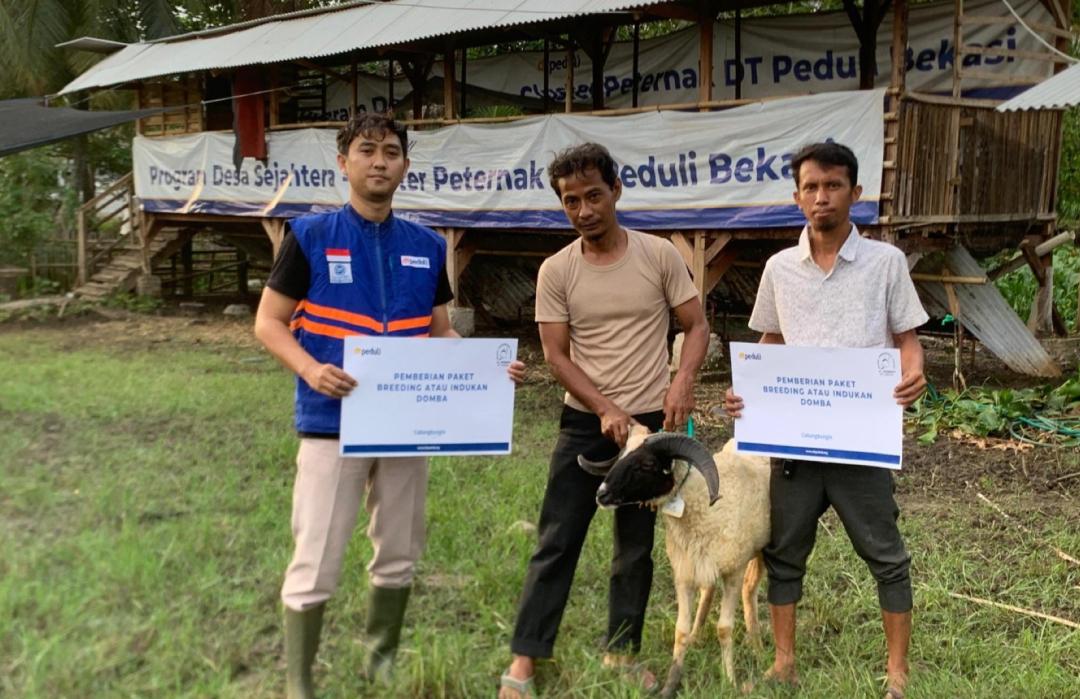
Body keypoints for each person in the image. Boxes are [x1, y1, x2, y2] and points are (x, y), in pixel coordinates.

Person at [254, 112, 524, 699]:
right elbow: (269, 322)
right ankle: (300, 683)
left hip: (405, 427)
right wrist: (310, 369)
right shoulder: (310, 236)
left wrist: (486, 369)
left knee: (399, 550)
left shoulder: (426, 246)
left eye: (392, 152)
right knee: (316, 556)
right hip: (331, 423)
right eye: (367, 149)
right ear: (343, 161)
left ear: (405, 165)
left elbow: (439, 332)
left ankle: (380, 663)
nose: (380, 161)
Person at [498, 143, 709, 698]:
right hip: (584, 424)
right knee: (558, 538)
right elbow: (556, 356)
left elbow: (696, 324)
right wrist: (604, 408)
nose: (584, 210)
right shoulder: (556, 270)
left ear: (616, 189)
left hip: (648, 429)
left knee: (635, 546)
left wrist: (682, 380)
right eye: (571, 201)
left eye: (593, 195)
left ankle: (621, 651)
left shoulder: (658, 256)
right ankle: (525, 658)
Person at [724, 142, 928, 699]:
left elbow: (908, 339)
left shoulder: (885, 263)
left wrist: (914, 372)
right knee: (784, 552)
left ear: (855, 193)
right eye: (811, 187)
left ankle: (897, 672)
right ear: (797, 196)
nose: (822, 196)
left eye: (833, 185)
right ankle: (784, 662)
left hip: (861, 438)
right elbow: (770, 340)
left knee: (885, 554)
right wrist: (747, 390)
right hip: (794, 441)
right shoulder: (779, 268)